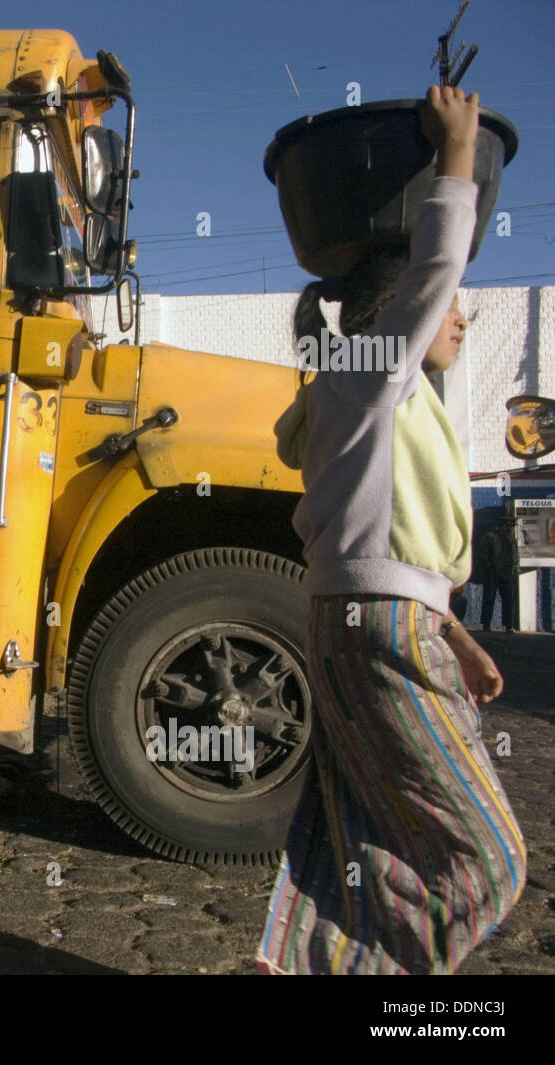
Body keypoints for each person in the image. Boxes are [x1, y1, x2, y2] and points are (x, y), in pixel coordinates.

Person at [261, 85, 526, 975]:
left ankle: (314, 964)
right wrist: (456, 152)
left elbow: (383, 542)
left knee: (369, 833)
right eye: (450, 305)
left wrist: (459, 635)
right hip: (379, 631)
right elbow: (439, 265)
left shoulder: (363, 403)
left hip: (356, 621)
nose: (459, 315)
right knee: (492, 857)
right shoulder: (376, 377)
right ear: (393, 313)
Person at [480, 517, 520, 632]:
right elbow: (484, 555)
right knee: (489, 599)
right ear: (504, 526)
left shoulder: (511, 539)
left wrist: (515, 569)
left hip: (507, 573)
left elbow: (515, 555)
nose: (512, 529)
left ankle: (508, 625)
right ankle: (486, 625)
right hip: (493, 573)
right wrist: (488, 567)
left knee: (509, 600)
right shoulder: (490, 537)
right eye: (510, 526)